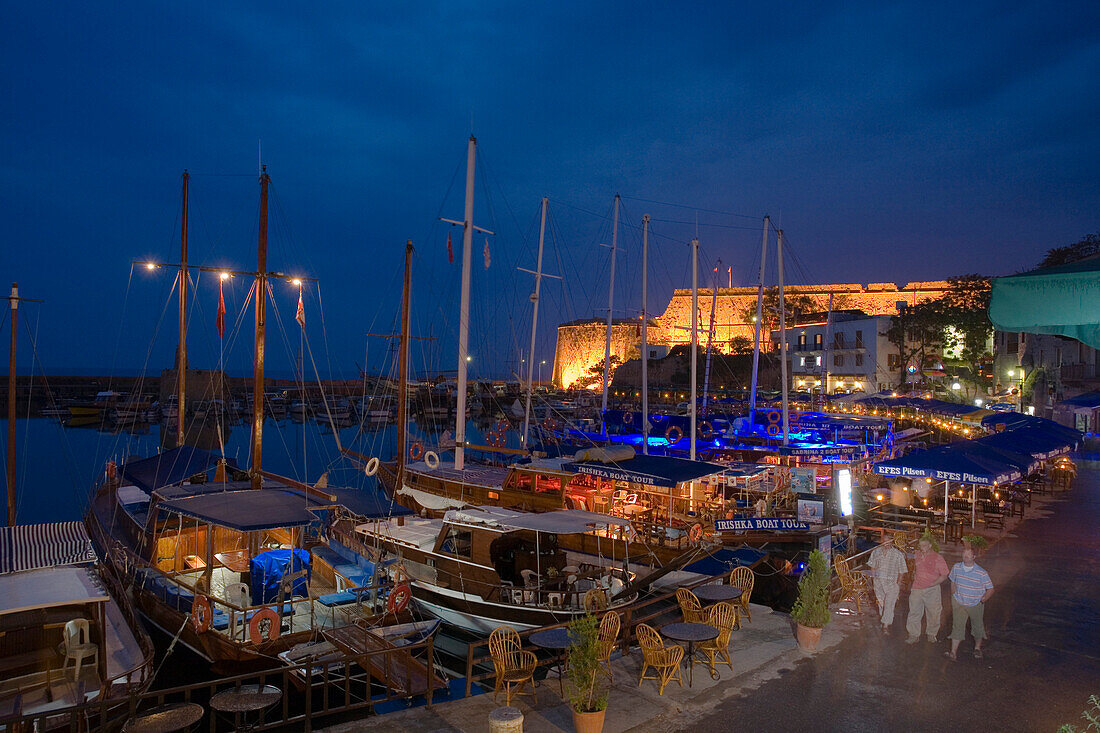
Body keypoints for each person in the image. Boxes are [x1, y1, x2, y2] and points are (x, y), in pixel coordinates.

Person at [946, 547, 994, 660]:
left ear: (974, 557)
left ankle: (977, 648)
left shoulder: (981, 573)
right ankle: (953, 652)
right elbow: (952, 580)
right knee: (957, 626)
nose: (965, 556)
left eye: (968, 554)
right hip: (959, 603)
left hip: (975, 604)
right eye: (964, 554)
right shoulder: (956, 567)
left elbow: (991, 589)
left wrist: (983, 599)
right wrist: (954, 596)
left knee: (977, 627)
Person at [905, 536, 950, 644]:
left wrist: (932, 584)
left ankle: (931, 634)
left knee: (934, 612)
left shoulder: (937, 558)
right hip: (917, 588)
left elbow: (944, 575)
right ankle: (913, 635)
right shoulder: (917, 554)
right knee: (914, 612)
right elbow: (907, 555)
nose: (921, 548)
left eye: (924, 545)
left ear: (930, 546)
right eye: (920, 546)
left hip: (932, 589)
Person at [867, 537, 907, 634]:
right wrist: (873, 580)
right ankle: (884, 619)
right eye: (885, 542)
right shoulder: (876, 552)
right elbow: (872, 567)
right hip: (879, 583)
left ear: (892, 543)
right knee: (882, 604)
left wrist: (898, 584)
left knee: (889, 604)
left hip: (892, 583)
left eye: (889, 542)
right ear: (881, 542)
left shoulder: (898, 554)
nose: (887, 544)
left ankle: (885, 626)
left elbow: (902, 571)